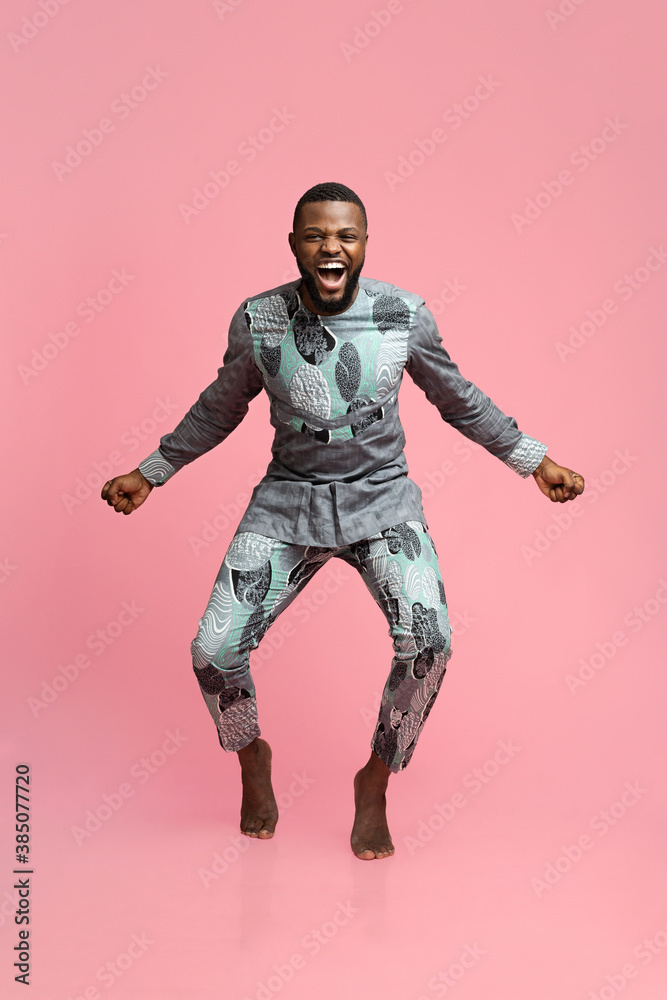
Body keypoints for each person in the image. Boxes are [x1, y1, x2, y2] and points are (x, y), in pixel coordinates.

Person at [101, 182, 585, 860]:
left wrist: (534, 461)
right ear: (295, 243)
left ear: (362, 244)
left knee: (430, 641)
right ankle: (251, 759)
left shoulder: (402, 316)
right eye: (315, 235)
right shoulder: (258, 319)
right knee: (212, 652)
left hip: (380, 502)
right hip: (287, 500)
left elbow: (460, 402)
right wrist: (149, 472)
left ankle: (375, 780)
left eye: (346, 235)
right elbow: (218, 409)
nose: (331, 246)